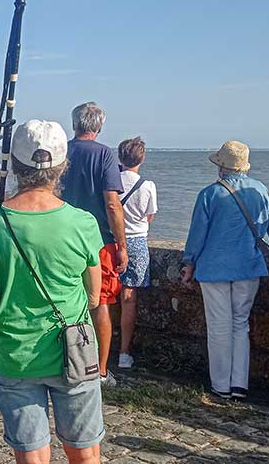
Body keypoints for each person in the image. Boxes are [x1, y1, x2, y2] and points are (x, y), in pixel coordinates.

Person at [0, 119, 105, 464]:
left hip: (14, 356)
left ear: (15, 167)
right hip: (73, 349)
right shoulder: (82, 222)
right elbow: (95, 296)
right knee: (84, 453)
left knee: (31, 455)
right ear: (61, 167)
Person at [181, 140, 269, 400]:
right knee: (240, 325)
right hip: (248, 266)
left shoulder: (210, 194)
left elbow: (197, 235)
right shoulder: (260, 190)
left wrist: (189, 263)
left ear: (221, 167)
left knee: (219, 326)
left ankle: (220, 384)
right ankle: (239, 385)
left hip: (213, 269)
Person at [60, 101, 127, 386]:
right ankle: (99, 371)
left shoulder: (61, 151)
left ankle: (63, 361)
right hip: (97, 241)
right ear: (99, 126)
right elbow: (112, 204)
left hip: (60, 236)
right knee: (100, 303)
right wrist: (122, 245)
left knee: (62, 299)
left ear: (74, 124)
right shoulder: (104, 155)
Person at [116, 137, 158, 369]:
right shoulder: (147, 186)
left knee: (104, 297)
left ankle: (100, 348)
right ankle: (124, 353)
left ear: (120, 157)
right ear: (141, 159)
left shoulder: (111, 181)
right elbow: (149, 216)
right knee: (129, 299)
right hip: (137, 243)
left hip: (112, 242)